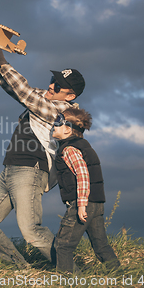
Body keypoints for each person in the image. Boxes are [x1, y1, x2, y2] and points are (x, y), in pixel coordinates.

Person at [0, 42, 86, 269]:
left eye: (59, 85)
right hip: (10, 169)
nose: (52, 85)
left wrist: (2, 58)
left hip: (31, 170)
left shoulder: (63, 113)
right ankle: (20, 272)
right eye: (53, 80)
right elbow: (13, 88)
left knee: (31, 230)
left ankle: (75, 274)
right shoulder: (44, 99)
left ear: (70, 95)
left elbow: (25, 93)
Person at [52, 107, 120, 273]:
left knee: (63, 245)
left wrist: (81, 204)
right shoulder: (84, 146)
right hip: (96, 203)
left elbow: (83, 175)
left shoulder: (69, 149)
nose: (52, 125)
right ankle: (121, 278)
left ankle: (68, 282)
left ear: (68, 129)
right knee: (101, 245)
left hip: (83, 203)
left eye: (57, 122)